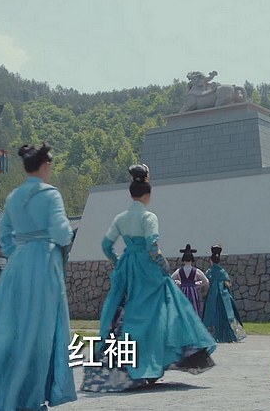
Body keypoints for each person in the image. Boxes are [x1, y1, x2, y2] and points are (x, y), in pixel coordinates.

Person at [0, 142, 76, 410]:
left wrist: (20, 251)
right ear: (45, 165)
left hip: (18, 266)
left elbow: (4, 236)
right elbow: (61, 232)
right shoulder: (50, 194)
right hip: (43, 265)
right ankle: (31, 398)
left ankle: (6, 391)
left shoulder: (14, 196)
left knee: (14, 331)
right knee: (40, 334)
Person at [82, 164, 216, 392]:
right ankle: (156, 362)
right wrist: (163, 265)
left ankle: (122, 363)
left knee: (126, 312)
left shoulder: (121, 218)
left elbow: (106, 245)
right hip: (148, 269)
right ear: (148, 194)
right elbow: (153, 246)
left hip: (128, 267)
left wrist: (119, 262)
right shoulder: (149, 217)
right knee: (164, 313)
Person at [201, 245, 246, 342]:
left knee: (210, 316)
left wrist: (204, 295)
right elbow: (228, 285)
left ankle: (209, 335)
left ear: (211, 260)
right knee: (227, 315)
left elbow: (206, 286)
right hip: (224, 298)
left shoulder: (209, 272)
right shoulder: (223, 272)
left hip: (211, 299)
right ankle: (230, 335)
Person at [172, 244, 209, 315]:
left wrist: (179, 284)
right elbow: (206, 281)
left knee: (183, 311)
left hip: (182, 292)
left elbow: (171, 279)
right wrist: (197, 285)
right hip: (193, 292)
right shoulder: (196, 271)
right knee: (194, 311)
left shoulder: (179, 271)